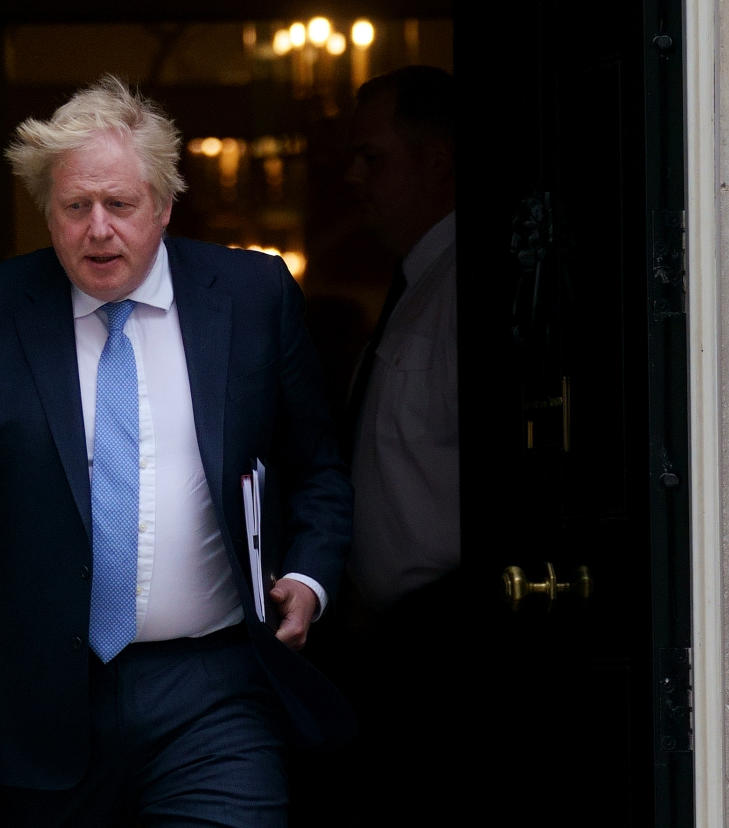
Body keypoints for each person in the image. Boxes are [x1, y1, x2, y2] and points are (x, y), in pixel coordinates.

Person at [0, 76, 352, 825]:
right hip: (35, 698)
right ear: (48, 211)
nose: (98, 229)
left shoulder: (252, 294)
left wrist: (308, 573)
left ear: (165, 206)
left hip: (214, 690)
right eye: (75, 207)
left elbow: (319, 469)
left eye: (120, 205)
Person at [332, 65, 460, 821]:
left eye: (372, 157)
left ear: (436, 161)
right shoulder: (418, 286)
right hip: (387, 644)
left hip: (443, 642)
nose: (353, 177)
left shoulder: (458, 293)